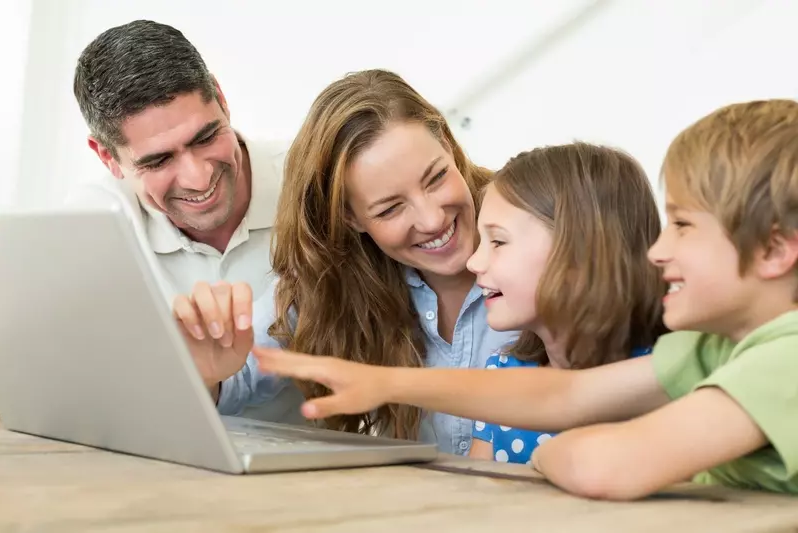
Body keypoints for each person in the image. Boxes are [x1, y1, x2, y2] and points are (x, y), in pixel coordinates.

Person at [253, 99, 798, 499]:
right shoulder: (707, 349)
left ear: (774, 251)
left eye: (681, 225)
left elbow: (602, 465)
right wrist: (389, 382)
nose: (656, 250)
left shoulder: (785, 359)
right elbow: (566, 397)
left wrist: (546, 453)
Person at [173, 69, 518, 454]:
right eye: (390, 209)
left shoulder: (539, 224)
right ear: (351, 218)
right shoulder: (333, 280)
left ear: (450, 148)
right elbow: (235, 379)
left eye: (436, 178)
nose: (432, 219)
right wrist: (208, 371)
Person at [68, 20, 301, 423]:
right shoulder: (92, 226)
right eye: (159, 160)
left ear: (222, 98)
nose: (198, 178)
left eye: (206, 137)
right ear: (107, 157)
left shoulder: (311, 184)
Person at [464, 143, 666, 464]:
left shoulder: (665, 375)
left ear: (580, 253)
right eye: (480, 242)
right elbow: (474, 497)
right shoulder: (503, 374)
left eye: (498, 241)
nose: (474, 262)